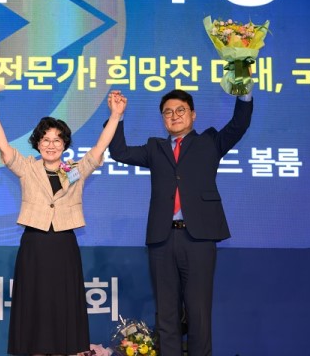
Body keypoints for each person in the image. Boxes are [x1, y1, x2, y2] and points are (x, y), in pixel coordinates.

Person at [108, 89, 253, 356]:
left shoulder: (210, 142)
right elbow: (119, 152)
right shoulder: (155, 148)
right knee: (166, 315)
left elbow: (239, 124)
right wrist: (117, 116)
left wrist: (244, 95)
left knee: (198, 313)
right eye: (168, 112)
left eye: (180, 110)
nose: (174, 116)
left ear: (193, 114)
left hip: (198, 239)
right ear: (162, 119)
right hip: (162, 240)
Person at [0, 94, 126, 356]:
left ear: (64, 144)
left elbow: (98, 149)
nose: (51, 145)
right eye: (46, 140)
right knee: (35, 305)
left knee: (62, 306)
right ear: (37, 143)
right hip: (35, 244)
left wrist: (116, 116)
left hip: (63, 244)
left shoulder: (74, 170)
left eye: (57, 140)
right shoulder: (28, 168)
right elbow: (4, 147)